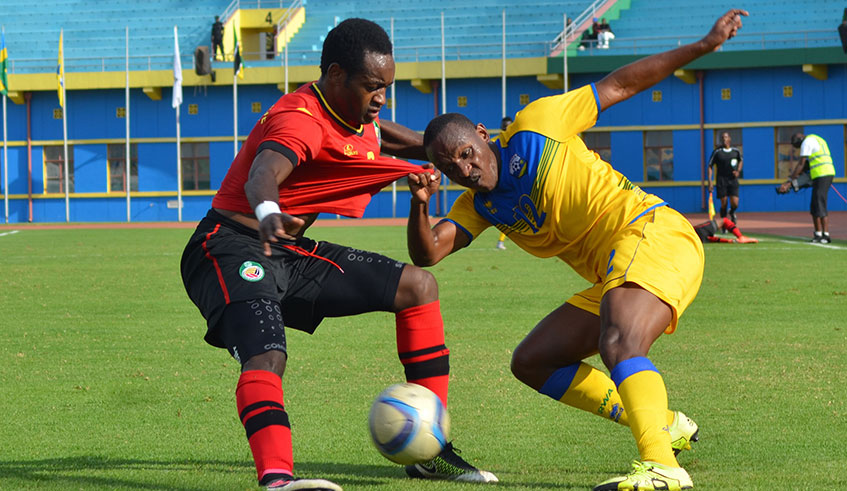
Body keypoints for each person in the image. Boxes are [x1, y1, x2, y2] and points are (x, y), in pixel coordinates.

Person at [406, 9, 748, 491]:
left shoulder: (537, 125)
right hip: (616, 270)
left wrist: (703, 45)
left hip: (650, 232)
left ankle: (664, 468)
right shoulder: (477, 207)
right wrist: (420, 206)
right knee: (533, 361)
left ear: (484, 135)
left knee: (620, 343)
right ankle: (661, 423)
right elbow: (429, 253)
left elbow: (620, 85)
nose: (464, 168)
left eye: (466, 152)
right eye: (449, 167)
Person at [180, 18, 497, 491]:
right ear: (334, 76)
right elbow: (263, 172)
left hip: (289, 253)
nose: (381, 97)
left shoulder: (355, 114)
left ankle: (430, 452)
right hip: (229, 247)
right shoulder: (299, 121)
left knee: (418, 286)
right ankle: (277, 480)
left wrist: (445, 146)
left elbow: (380, 136)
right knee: (267, 354)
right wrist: (268, 211)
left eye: (386, 86)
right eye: (372, 87)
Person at [778, 132, 835, 243]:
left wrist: (789, 181)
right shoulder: (817, 139)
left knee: (819, 202)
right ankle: (818, 234)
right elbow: (807, 165)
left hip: (823, 174)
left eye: (796, 145)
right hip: (821, 174)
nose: (797, 148)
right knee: (814, 204)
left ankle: (826, 235)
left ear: (799, 141)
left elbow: (801, 164)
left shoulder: (807, 142)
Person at [707, 131, 743, 226]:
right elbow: (710, 166)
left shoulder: (736, 151)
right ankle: (724, 223)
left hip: (732, 180)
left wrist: (738, 171)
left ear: (729, 139)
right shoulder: (717, 152)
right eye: (722, 138)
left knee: (735, 203)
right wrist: (710, 181)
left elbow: (740, 161)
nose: (724, 139)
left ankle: (731, 211)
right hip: (721, 180)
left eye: (726, 137)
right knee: (724, 203)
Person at [496, 116, 513, 250]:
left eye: (508, 126)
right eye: (504, 126)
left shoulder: (517, 141)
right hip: (501, 185)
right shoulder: (495, 142)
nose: (506, 128)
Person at [692, 217, 757, 244]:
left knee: (708, 239)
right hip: (697, 230)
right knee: (724, 220)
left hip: (693, 236)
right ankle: (740, 237)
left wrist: (729, 241)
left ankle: (734, 240)